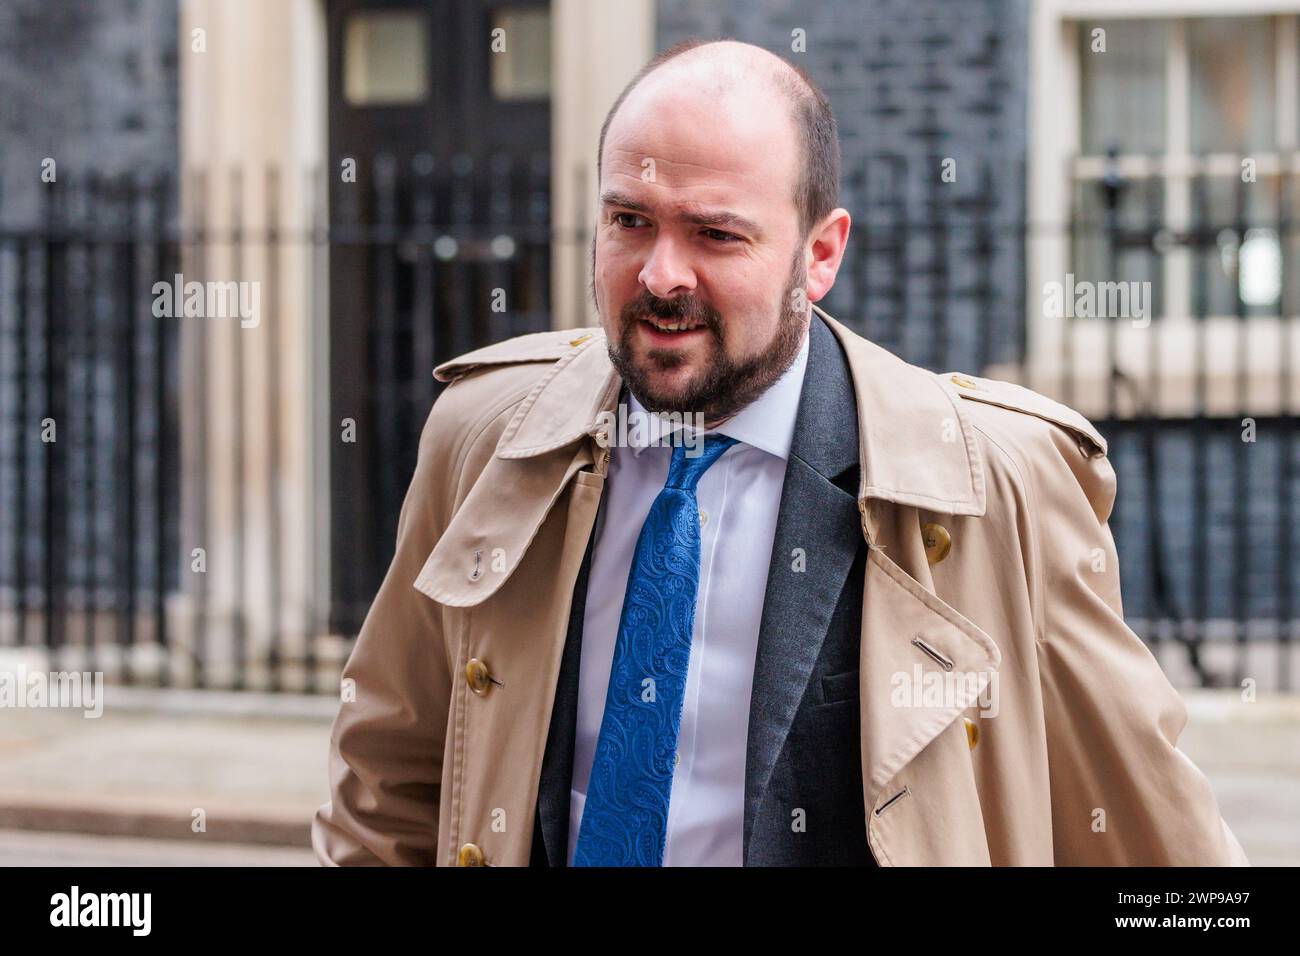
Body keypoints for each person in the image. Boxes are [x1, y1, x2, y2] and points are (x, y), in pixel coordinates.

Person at [312, 38, 1248, 867]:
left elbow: (1146, 833)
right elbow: (388, 779)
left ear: (820, 253)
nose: (660, 273)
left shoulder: (996, 483)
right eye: (630, 219)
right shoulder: (486, 434)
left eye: (716, 234)